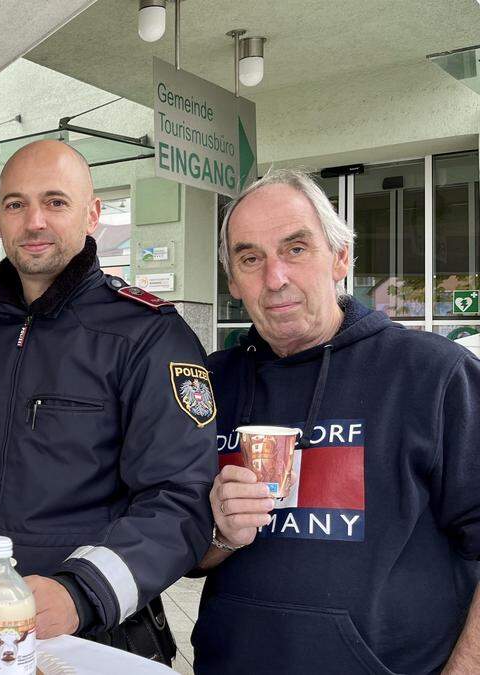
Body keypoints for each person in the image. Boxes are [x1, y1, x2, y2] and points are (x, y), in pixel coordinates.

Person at [0, 140, 216, 663]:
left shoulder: (149, 335)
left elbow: (179, 497)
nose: (33, 222)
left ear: (92, 214)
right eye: (15, 204)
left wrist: (82, 593)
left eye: (55, 201)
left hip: (98, 636)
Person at [191, 168, 480, 673]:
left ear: (341, 257)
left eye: (296, 249)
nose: (275, 277)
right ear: (233, 281)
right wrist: (219, 536)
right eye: (250, 258)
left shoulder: (436, 375)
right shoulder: (208, 387)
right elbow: (185, 555)